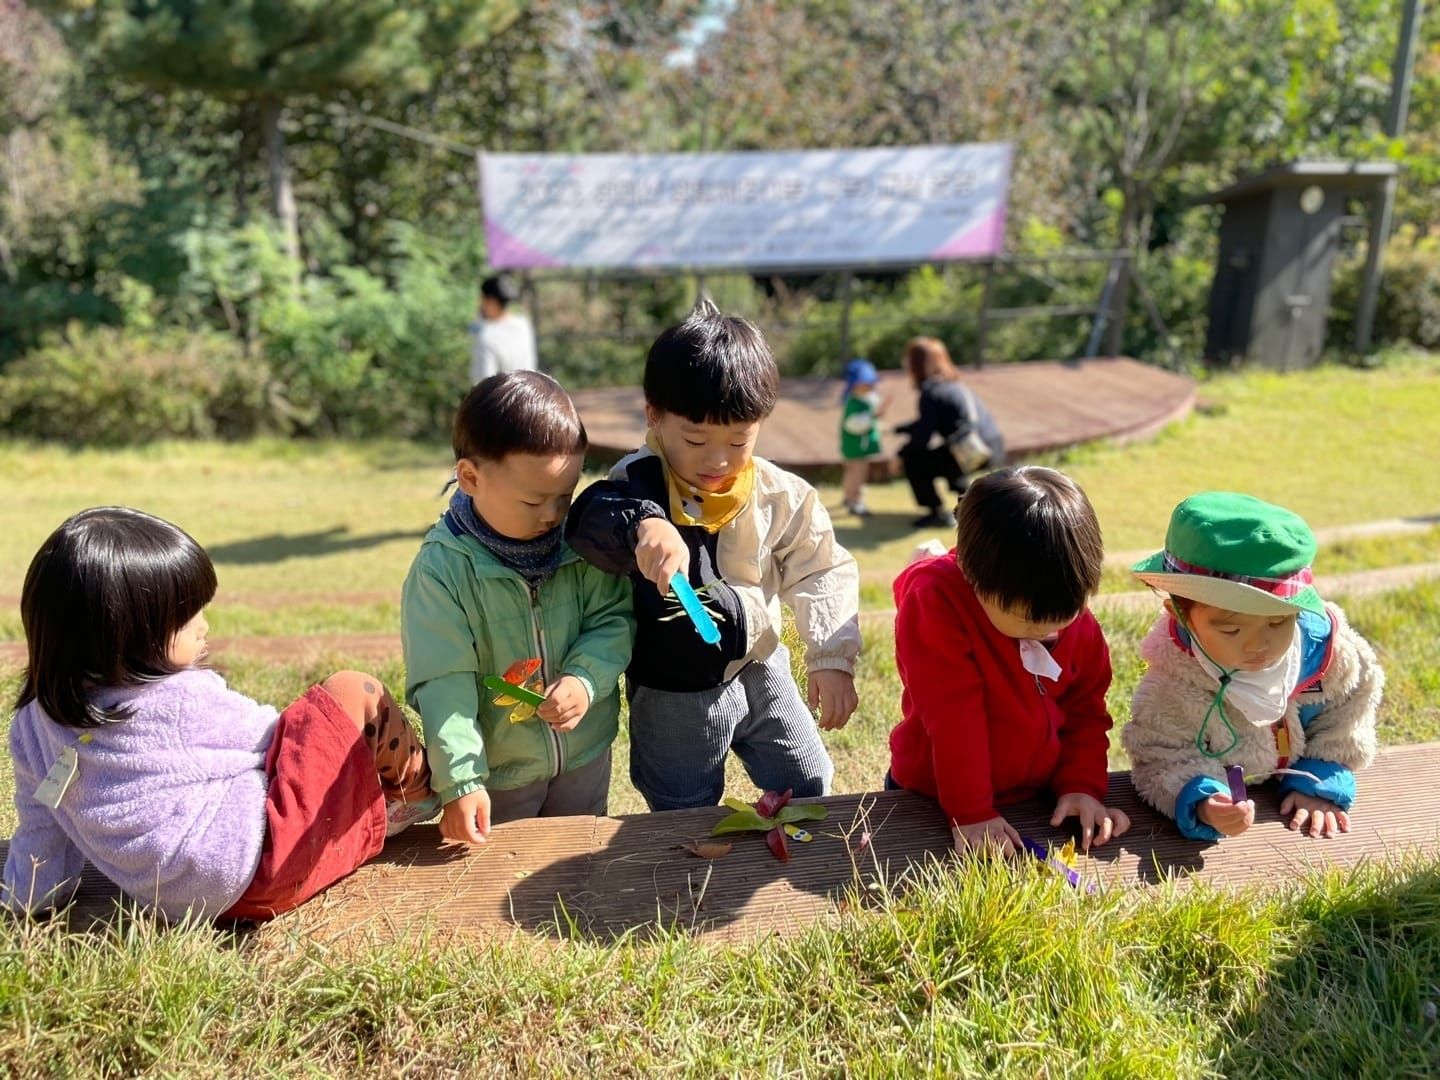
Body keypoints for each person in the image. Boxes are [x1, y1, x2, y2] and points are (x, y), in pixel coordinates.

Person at [3, 507, 437, 922]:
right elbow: (281, 740)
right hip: (263, 868)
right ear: (125, 637)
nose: (203, 625)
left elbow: (42, 827)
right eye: (187, 618)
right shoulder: (177, 698)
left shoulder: (33, 724)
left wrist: (26, 896)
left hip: (177, 901)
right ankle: (414, 797)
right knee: (351, 691)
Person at [566, 297, 862, 812]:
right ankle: (691, 883)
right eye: (696, 439)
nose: (718, 459)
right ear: (654, 416)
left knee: (807, 779)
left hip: (762, 664)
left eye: (739, 441)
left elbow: (822, 567)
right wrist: (647, 525)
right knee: (682, 804)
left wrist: (832, 657)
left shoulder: (777, 492)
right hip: (674, 689)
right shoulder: (638, 482)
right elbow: (593, 517)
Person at [402, 371, 633, 846]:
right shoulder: (443, 571)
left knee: (579, 862)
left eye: (565, 496)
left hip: (583, 756)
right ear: (470, 478)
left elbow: (612, 619)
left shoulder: (579, 544)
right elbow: (444, 683)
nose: (552, 514)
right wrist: (462, 781)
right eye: (533, 499)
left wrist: (584, 680)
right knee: (500, 874)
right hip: (499, 774)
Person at [888, 466, 1130, 854]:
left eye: (1064, 617)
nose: (1049, 633)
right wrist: (970, 812)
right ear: (970, 572)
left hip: (1036, 796)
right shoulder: (937, 604)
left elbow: (1085, 712)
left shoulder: (1076, 623)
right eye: (1030, 622)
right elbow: (954, 719)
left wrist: (1081, 786)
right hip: (934, 799)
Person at [1124, 492, 1384, 842]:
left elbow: (1349, 710)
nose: (1258, 645)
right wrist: (1205, 799)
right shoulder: (1174, 680)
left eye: (1278, 624)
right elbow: (1161, 755)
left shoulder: (1329, 654)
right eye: (1231, 628)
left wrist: (1323, 773)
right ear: (1182, 616)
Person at [895, 336, 1004, 528]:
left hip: (971, 452)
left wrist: (900, 454)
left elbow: (923, 437)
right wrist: (902, 428)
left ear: (916, 364)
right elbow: (932, 422)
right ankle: (965, 503)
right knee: (946, 453)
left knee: (914, 459)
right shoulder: (955, 384)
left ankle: (936, 511)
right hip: (992, 447)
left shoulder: (930, 391)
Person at [469, 273, 538, 385]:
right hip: (528, 391)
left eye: (482, 299)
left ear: (491, 301)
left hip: (499, 398)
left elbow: (483, 381)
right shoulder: (523, 324)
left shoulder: (486, 336)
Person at [839, 357, 885, 518]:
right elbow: (853, 425)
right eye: (865, 383)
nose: (870, 387)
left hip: (856, 446)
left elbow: (875, 402)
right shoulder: (854, 403)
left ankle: (848, 497)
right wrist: (872, 416)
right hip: (856, 447)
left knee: (852, 473)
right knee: (857, 475)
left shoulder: (863, 399)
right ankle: (855, 501)